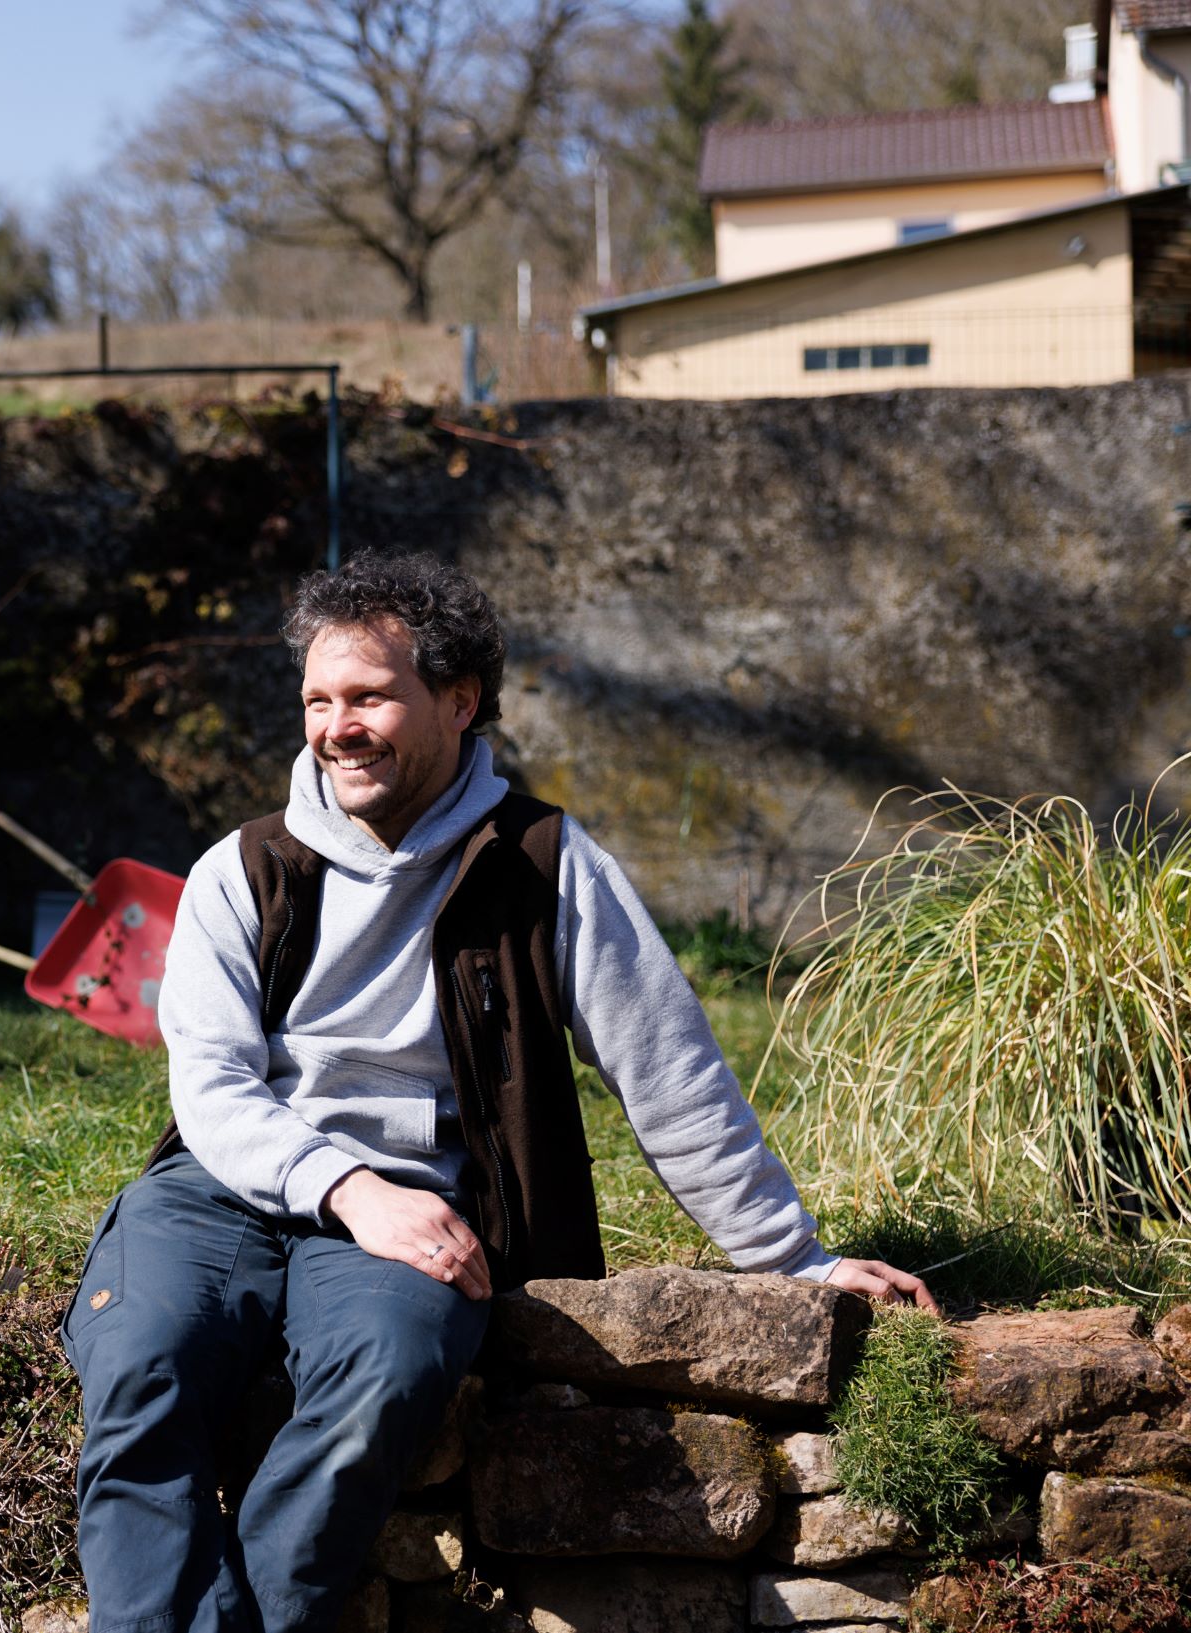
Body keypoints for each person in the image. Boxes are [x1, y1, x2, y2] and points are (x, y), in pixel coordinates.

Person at [60, 550, 934, 1633]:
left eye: (371, 695)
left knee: (380, 1380)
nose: (339, 726)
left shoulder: (547, 865)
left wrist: (794, 1257)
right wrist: (345, 1188)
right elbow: (216, 1090)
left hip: (419, 1201)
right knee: (141, 1357)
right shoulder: (242, 871)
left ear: (460, 700)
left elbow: (669, 1075)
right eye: (318, 701)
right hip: (227, 1184)